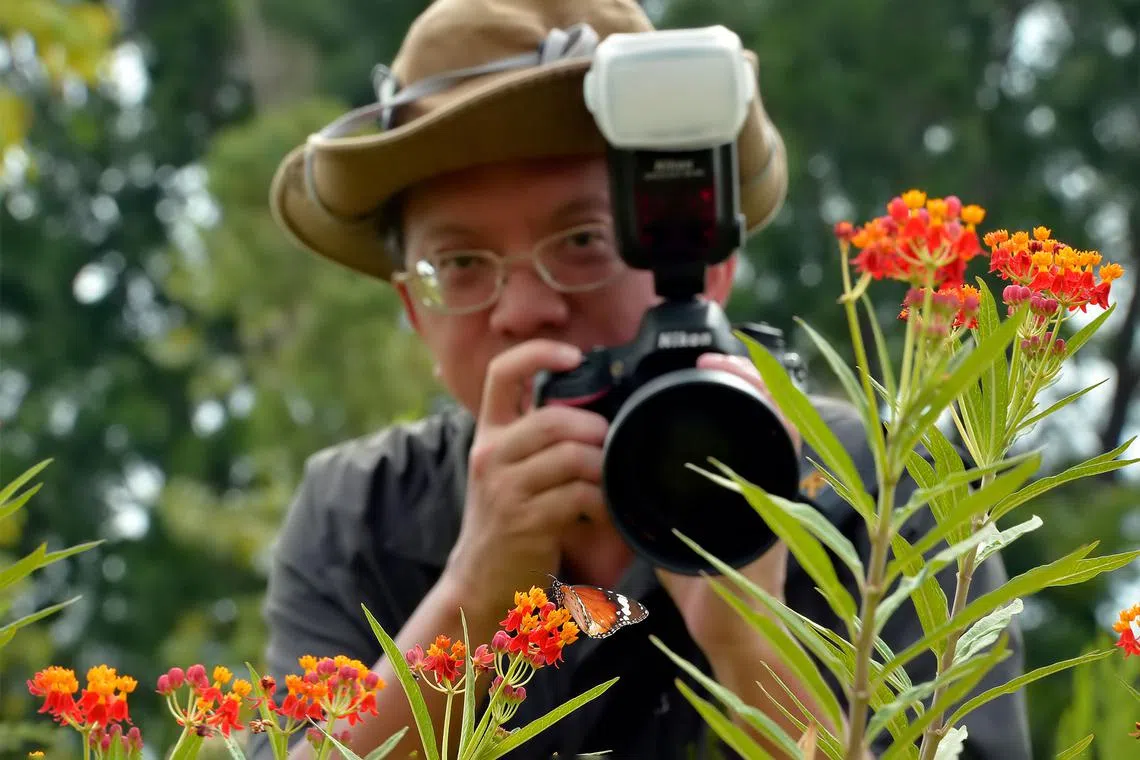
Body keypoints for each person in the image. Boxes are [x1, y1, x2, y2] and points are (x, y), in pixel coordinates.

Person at [253, 0, 1034, 757]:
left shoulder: (890, 487)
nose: (525, 308)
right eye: (459, 265)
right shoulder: (360, 514)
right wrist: (472, 594)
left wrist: (751, 642)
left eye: (584, 239)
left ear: (711, 263)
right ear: (415, 314)